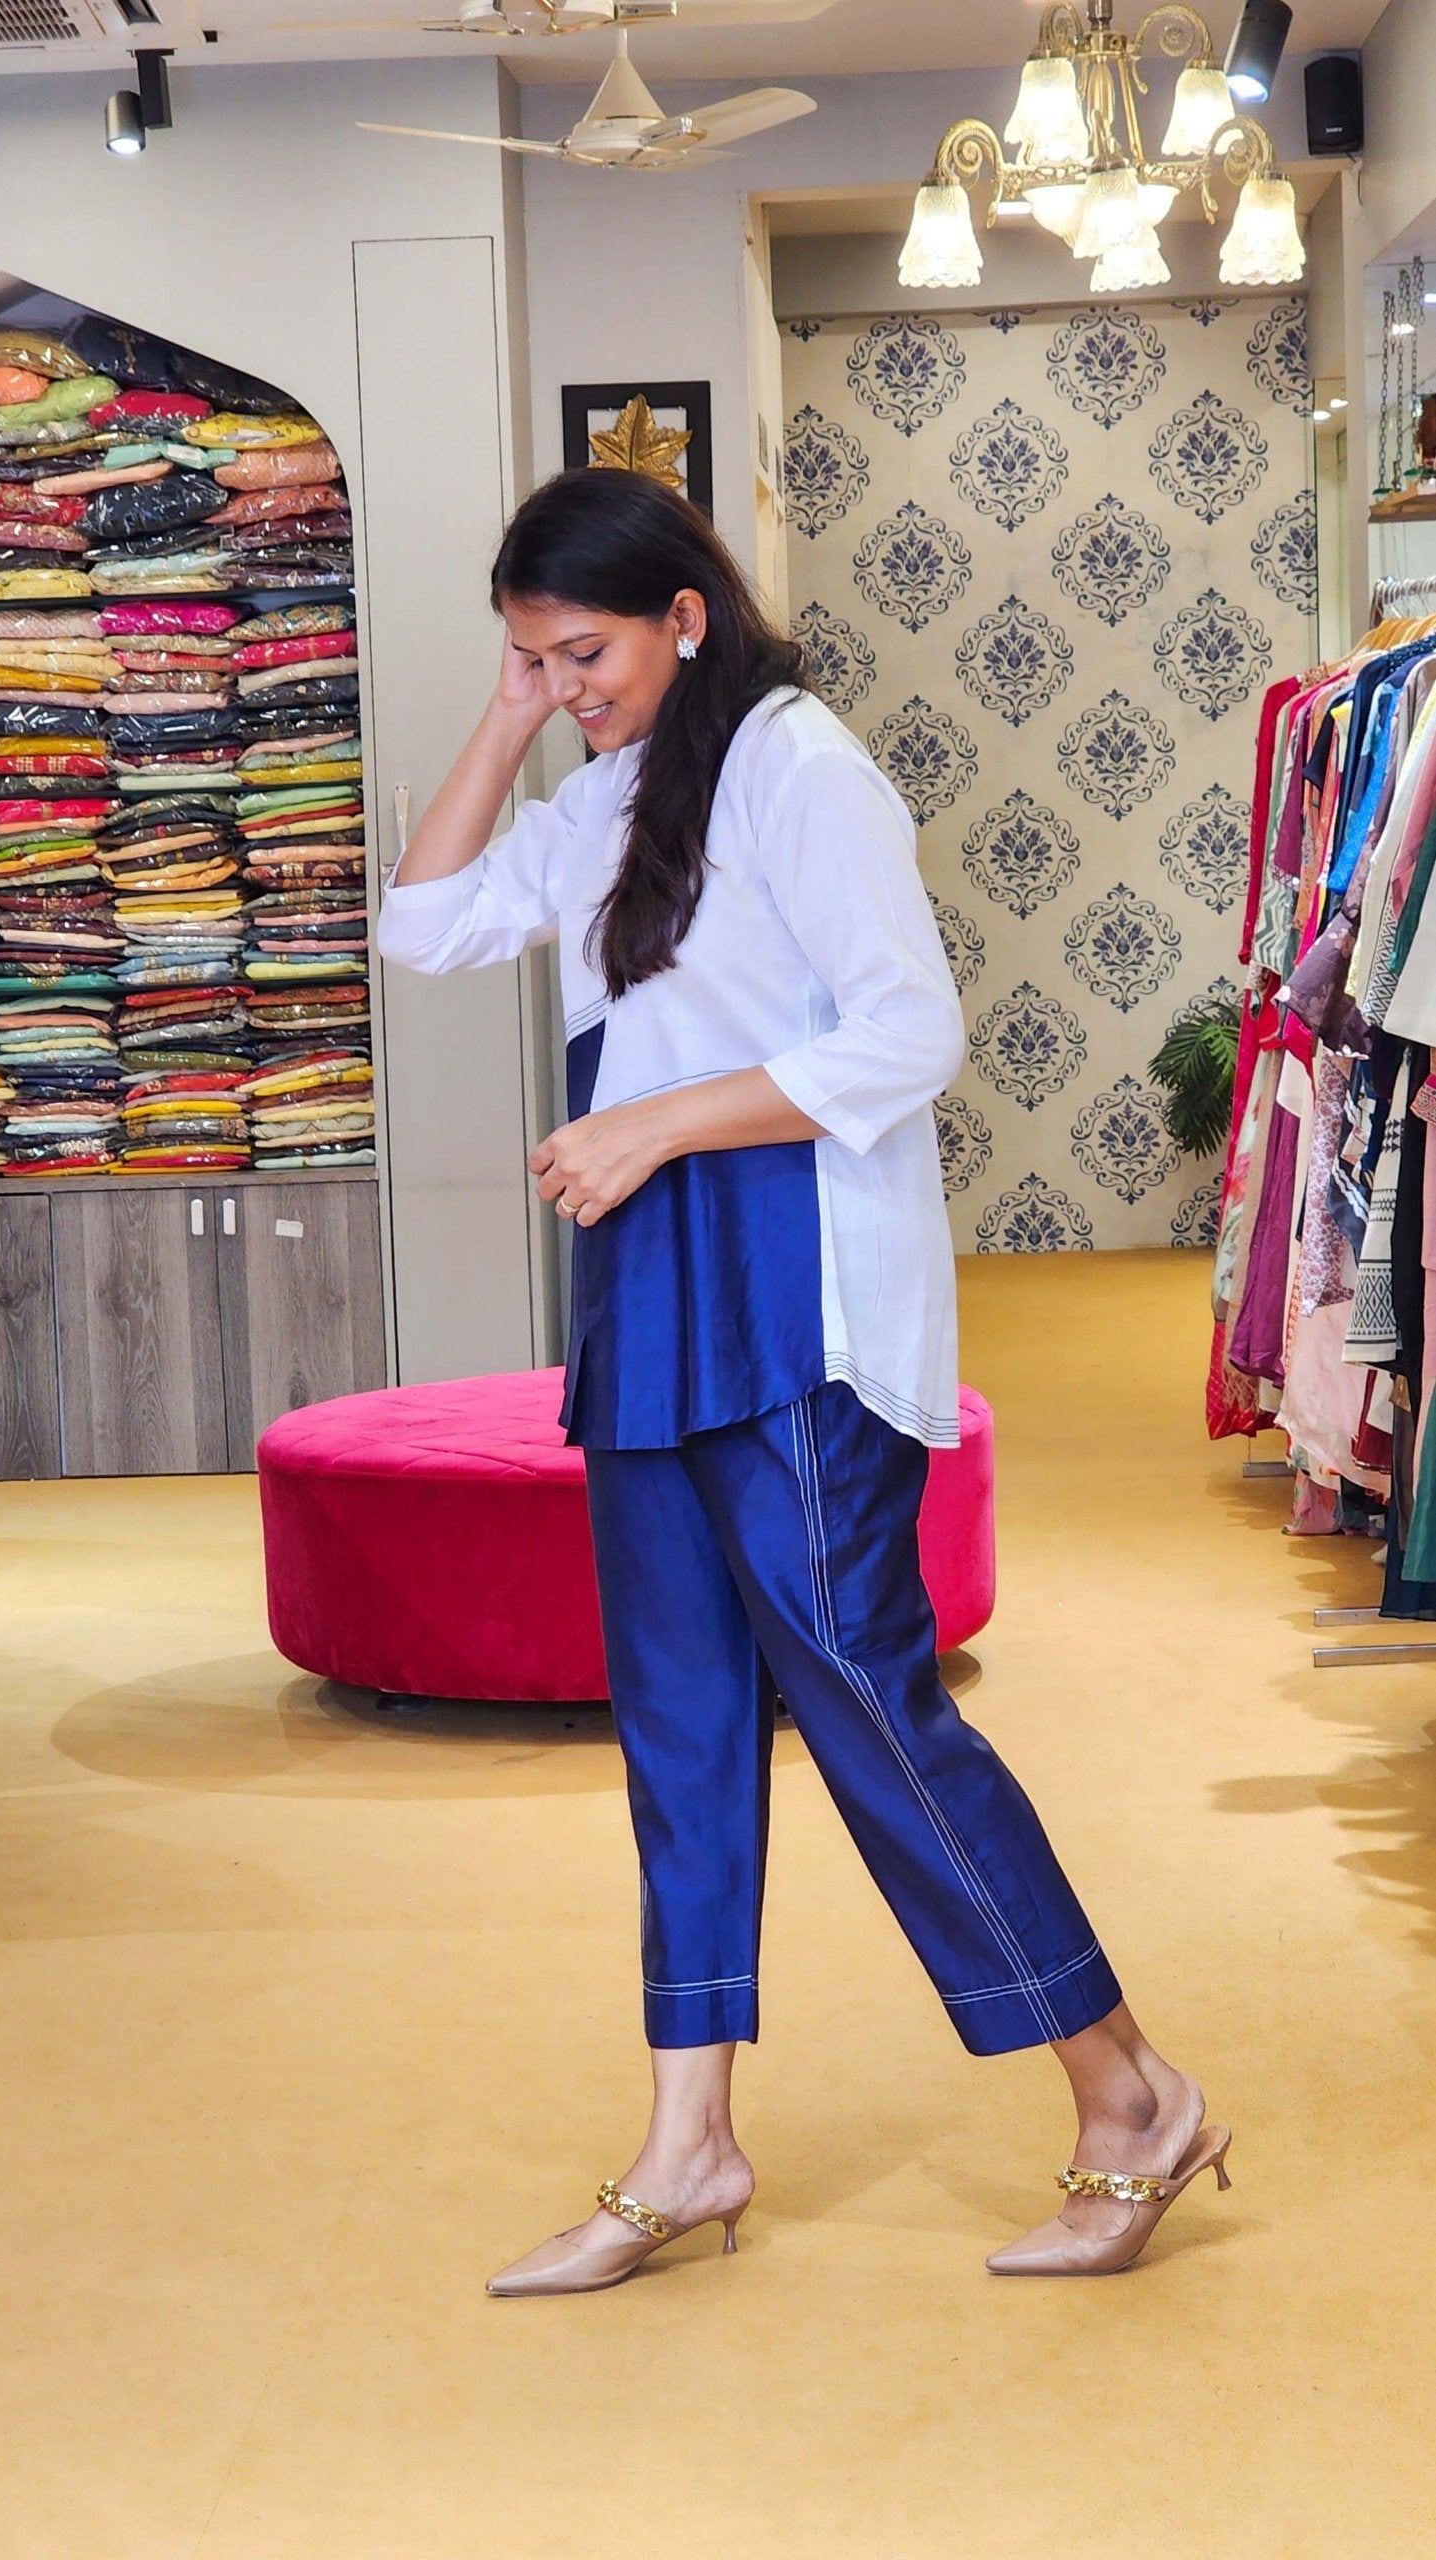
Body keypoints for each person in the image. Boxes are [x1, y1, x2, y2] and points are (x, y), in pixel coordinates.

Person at [376, 468, 1231, 2293]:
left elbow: (911, 1030)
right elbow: (420, 921)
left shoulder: (799, 766)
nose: (566, 685)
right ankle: (688, 2143)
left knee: (862, 1698)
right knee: (680, 1715)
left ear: (683, 615)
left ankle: (1133, 2093)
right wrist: (512, 714)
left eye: (583, 652)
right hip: (648, 1287)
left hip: (795, 1285)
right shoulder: (603, 793)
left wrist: (655, 1123)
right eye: (536, 656)